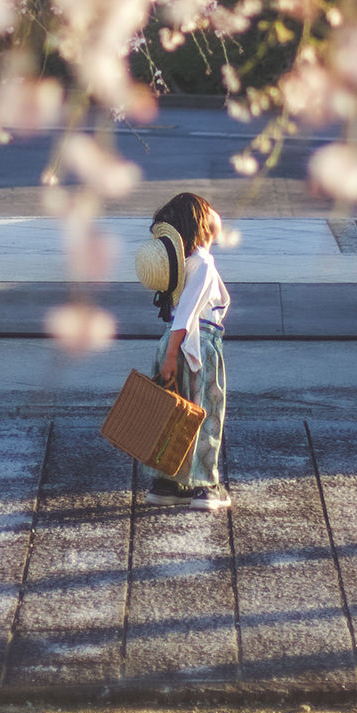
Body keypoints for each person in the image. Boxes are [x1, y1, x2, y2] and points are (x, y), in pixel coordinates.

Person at [146, 191, 230, 508]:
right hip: (195, 346)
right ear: (201, 224)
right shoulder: (204, 263)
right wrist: (172, 357)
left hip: (172, 342)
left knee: (172, 416)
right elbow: (187, 315)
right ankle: (205, 487)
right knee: (204, 412)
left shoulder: (182, 266)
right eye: (211, 212)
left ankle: (167, 484)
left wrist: (167, 354)